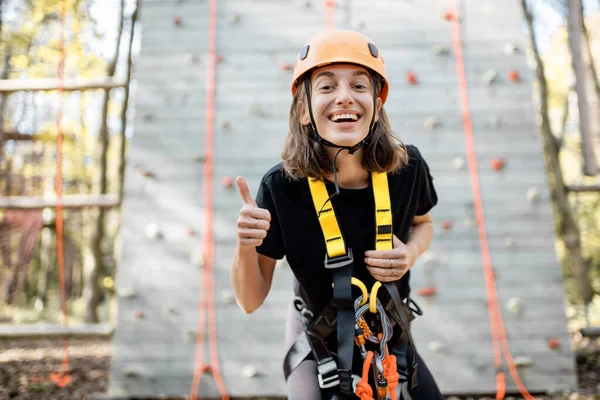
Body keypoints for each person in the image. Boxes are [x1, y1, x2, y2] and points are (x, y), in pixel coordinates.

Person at [230, 29, 443, 400]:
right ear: (304, 111)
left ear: (377, 105)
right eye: (327, 87)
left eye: (359, 86)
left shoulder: (408, 168)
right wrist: (246, 245)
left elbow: (423, 224)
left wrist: (409, 253)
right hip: (317, 332)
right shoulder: (281, 188)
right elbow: (250, 300)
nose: (345, 96)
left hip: (388, 331)